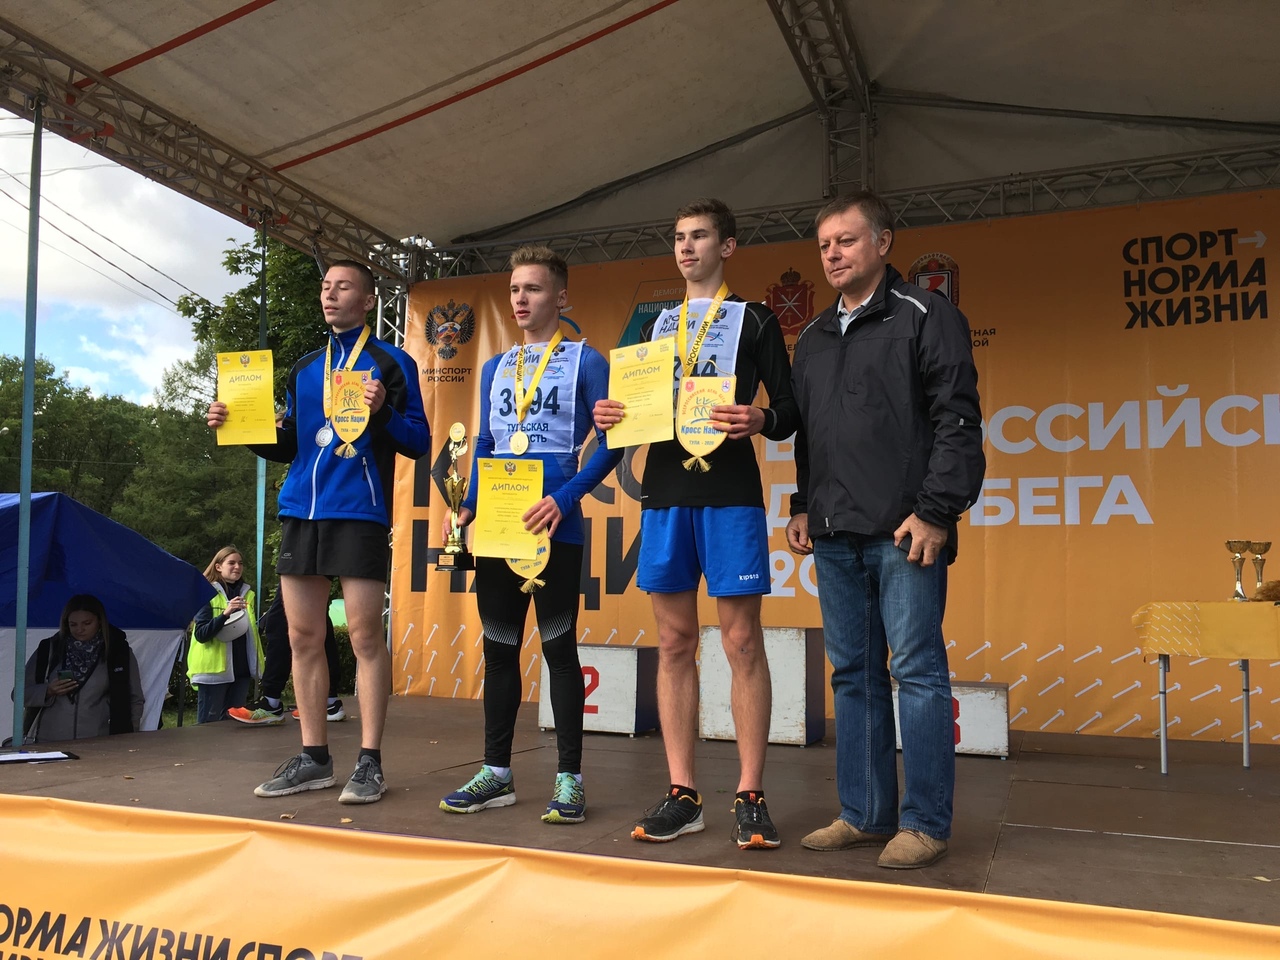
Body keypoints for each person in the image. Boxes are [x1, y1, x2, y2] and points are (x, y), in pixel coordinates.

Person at [785, 191, 985, 869]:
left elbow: (959, 422)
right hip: (834, 532)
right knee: (853, 676)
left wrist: (936, 512)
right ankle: (865, 814)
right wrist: (802, 504)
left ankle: (924, 824)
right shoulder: (814, 336)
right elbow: (811, 437)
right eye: (824, 246)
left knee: (918, 674)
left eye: (846, 240)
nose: (833, 255)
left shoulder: (927, 315)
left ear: (883, 242)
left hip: (906, 532)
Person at [593, 198, 798, 849]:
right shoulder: (654, 325)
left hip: (731, 493)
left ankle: (750, 793)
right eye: (679, 237)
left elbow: (791, 409)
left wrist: (761, 418)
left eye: (700, 236)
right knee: (674, 641)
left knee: (741, 642)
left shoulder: (755, 318)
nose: (686, 247)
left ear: (727, 247)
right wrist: (611, 416)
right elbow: (635, 410)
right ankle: (683, 793)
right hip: (664, 493)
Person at [207, 259, 430, 804]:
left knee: (365, 638)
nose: (330, 294)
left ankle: (370, 762)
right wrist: (240, 428)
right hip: (300, 511)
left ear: (369, 300)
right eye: (325, 287)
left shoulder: (392, 362)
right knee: (302, 638)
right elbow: (291, 445)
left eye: (343, 286)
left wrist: (383, 412)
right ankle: (314, 758)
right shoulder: (305, 368)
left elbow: (419, 442)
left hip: (359, 511)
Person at [439, 244, 622, 824]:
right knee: (499, 650)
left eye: (534, 288)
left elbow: (615, 444)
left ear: (561, 297)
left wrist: (566, 498)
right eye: (515, 289)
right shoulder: (495, 367)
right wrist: (467, 506)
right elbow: (486, 445)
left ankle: (570, 779)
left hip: (553, 528)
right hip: (499, 528)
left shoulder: (586, 361)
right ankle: (496, 772)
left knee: (559, 651)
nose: (521, 299)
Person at [15, 594, 144, 743]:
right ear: (66, 624)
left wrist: (129, 736)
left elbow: (135, 699)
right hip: (48, 741)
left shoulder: (118, 652)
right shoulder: (48, 649)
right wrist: (47, 691)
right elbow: (18, 695)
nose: (80, 629)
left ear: (100, 621)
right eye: (73, 624)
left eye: (87, 623)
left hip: (99, 743)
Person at [227, 586, 346, 725]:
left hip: (302, 573)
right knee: (316, 617)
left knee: (280, 620)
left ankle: (272, 702)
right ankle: (328, 702)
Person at [188, 546, 264, 723]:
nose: (237, 567)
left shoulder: (248, 594)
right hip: (213, 673)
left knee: (234, 727)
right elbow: (201, 634)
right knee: (208, 727)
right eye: (231, 563)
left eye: (240, 563)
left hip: (242, 670)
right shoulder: (207, 593)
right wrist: (225, 614)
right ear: (218, 567)